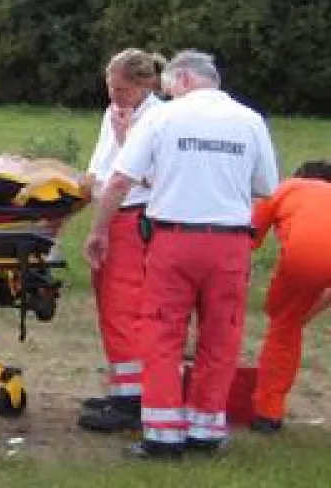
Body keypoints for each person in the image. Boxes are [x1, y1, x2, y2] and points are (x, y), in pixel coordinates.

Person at [85, 50, 279, 458]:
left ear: (185, 79)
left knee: (161, 335)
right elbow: (265, 187)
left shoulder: (162, 118)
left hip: (172, 239)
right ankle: (205, 430)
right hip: (230, 243)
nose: (167, 93)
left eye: (170, 87)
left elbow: (120, 181)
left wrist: (99, 230)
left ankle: (162, 435)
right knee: (220, 336)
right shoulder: (250, 120)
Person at [77, 49, 166, 433]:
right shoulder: (112, 113)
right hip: (112, 212)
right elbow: (102, 164)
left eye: (122, 89)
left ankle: (133, 398)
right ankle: (123, 388)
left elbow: (151, 176)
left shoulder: (159, 118)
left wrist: (126, 137)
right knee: (109, 303)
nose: (114, 96)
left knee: (125, 305)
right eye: (110, 87)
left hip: (136, 216)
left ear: (145, 86)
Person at [248, 160, 331, 433]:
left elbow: (247, 236)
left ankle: (267, 413)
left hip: (308, 255)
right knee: (287, 320)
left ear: (300, 176)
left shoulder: (287, 188)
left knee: (282, 328)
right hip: (316, 256)